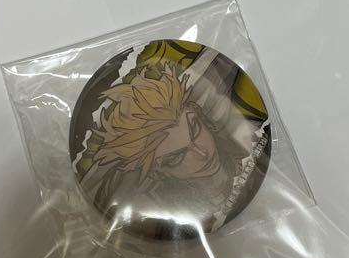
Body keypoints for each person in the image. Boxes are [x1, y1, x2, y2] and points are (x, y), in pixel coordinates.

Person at [76, 56, 266, 236]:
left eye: (195, 129)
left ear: (197, 113)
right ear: (156, 173)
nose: (201, 152)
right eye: (177, 156)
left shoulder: (249, 142)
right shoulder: (166, 217)